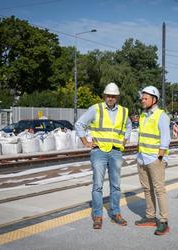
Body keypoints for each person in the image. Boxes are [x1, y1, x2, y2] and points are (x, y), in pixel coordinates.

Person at [75, 82, 132, 230]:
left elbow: (128, 126)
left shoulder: (124, 111)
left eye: (113, 96)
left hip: (116, 152)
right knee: (98, 185)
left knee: (116, 185)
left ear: (117, 97)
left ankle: (116, 213)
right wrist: (86, 142)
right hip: (99, 152)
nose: (111, 98)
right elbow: (79, 124)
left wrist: (125, 140)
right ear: (104, 96)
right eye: (108, 96)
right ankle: (98, 216)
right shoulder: (96, 109)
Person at [135, 86, 171, 236]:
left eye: (145, 98)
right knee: (147, 189)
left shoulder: (161, 115)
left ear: (154, 99)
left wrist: (160, 158)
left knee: (159, 190)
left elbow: (165, 139)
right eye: (142, 98)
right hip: (142, 158)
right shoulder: (143, 115)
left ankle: (163, 221)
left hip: (155, 159)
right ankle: (150, 217)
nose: (142, 100)